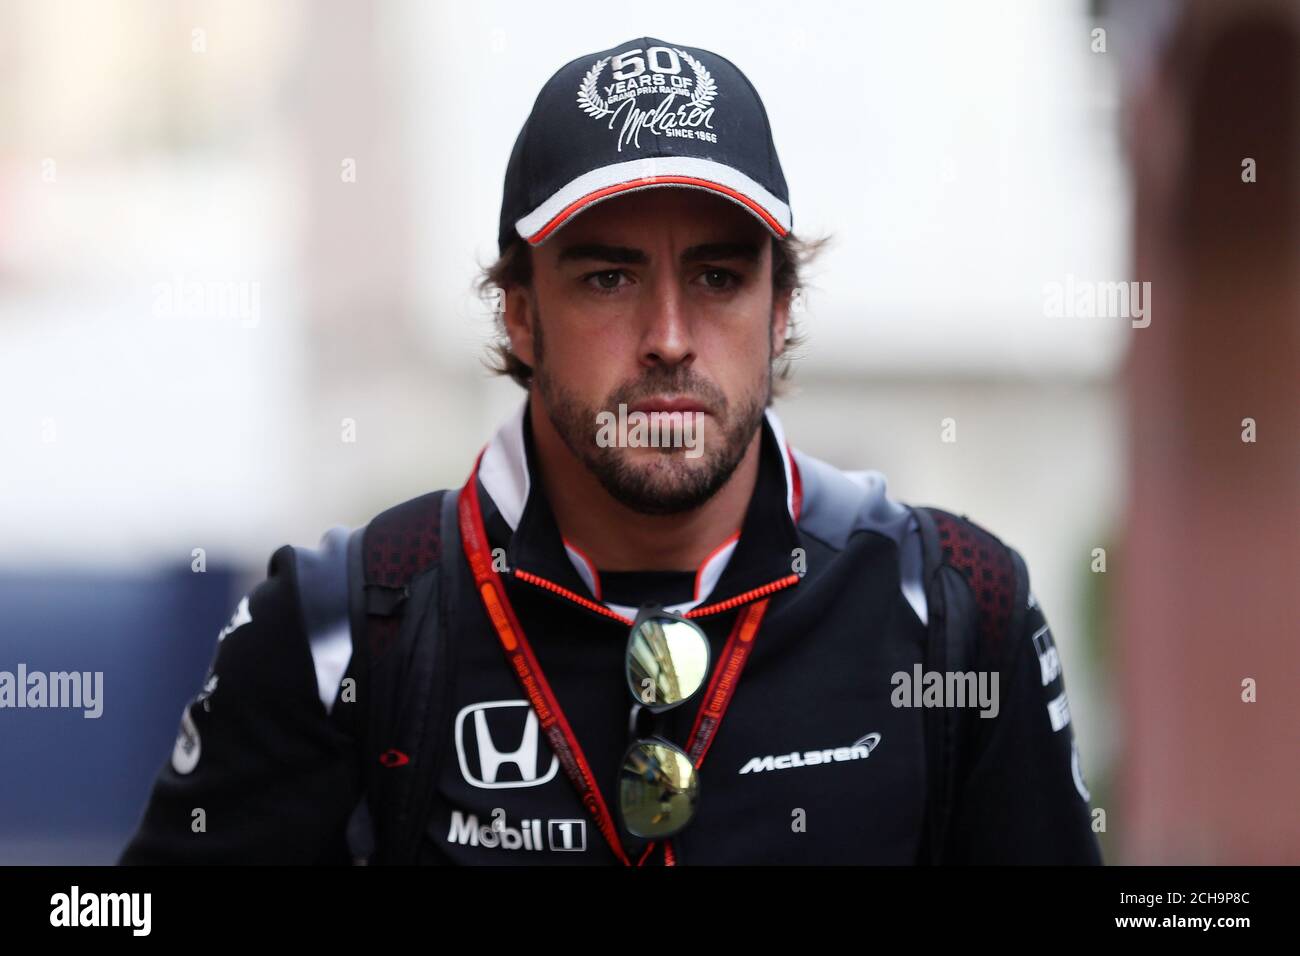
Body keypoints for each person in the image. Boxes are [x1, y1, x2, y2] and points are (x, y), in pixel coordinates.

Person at [120, 36, 1103, 866]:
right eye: (606, 278)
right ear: (519, 314)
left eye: (718, 275)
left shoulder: (954, 610)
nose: (669, 335)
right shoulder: (341, 625)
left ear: (780, 313)